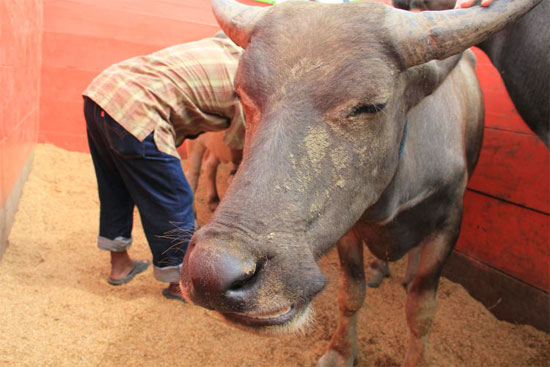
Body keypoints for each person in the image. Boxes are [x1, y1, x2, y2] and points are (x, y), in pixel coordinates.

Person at [83, 32, 245, 301]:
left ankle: (120, 265)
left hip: (101, 93)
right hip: (139, 110)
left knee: (115, 188)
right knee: (173, 199)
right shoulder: (250, 85)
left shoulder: (224, 44)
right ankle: (178, 283)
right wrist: (238, 169)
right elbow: (239, 149)